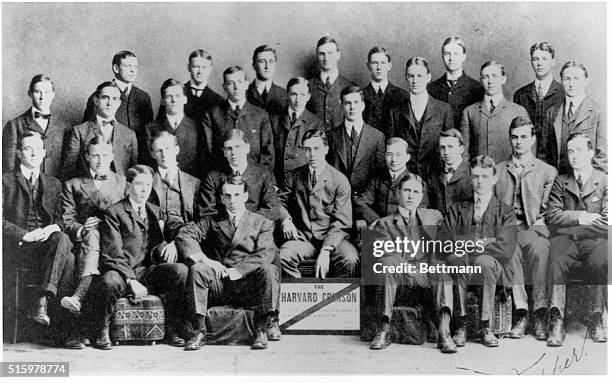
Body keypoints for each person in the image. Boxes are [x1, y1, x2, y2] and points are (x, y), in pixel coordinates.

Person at [89, 165, 189, 350]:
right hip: (121, 270)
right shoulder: (115, 212)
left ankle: (172, 327)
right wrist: (131, 280)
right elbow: (113, 253)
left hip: (148, 271)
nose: (144, 189)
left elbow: (180, 227)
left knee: (180, 271)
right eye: (139, 184)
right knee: (109, 281)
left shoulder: (155, 210)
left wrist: (174, 242)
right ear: (128, 185)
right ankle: (102, 330)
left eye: (148, 184)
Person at [175, 175, 279, 350]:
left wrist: (238, 270)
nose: (233, 201)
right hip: (221, 284)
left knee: (269, 269)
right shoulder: (212, 220)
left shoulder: (262, 222)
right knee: (198, 269)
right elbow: (185, 235)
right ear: (222, 198)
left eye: (237, 195)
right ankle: (199, 331)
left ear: (245, 196)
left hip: (249, 284)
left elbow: (265, 253)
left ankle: (261, 329)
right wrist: (207, 260)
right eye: (228, 196)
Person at [2, 133, 76, 347]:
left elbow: (63, 220)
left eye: (37, 149)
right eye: (27, 148)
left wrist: (51, 228)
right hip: (17, 247)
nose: (34, 153)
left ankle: (43, 303)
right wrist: (24, 234)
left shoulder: (53, 183)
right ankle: (61, 331)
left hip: (47, 245)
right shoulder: (4, 181)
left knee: (62, 241)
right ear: (18, 153)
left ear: (44, 153)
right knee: (68, 257)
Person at [438, 155, 518, 348]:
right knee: (456, 259)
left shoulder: (505, 212)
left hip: (490, 265)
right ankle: (461, 325)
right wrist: (480, 243)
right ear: (470, 178)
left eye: (484, 176)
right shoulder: (458, 209)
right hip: (462, 262)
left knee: (483, 262)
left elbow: (505, 247)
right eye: (475, 176)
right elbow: (444, 239)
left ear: (494, 178)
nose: (480, 181)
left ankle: (485, 325)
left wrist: (470, 245)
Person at [368, 173, 451, 352]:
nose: (411, 195)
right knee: (388, 264)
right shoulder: (385, 224)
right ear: (398, 193)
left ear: (422, 195)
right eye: (407, 190)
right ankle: (384, 330)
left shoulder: (434, 217)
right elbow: (386, 252)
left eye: (416, 191)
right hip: (401, 275)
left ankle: (444, 332)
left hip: (427, 274)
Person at [495, 117, 557, 339]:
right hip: (509, 230)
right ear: (509, 140)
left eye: (523, 137)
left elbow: (549, 210)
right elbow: (494, 208)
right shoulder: (498, 170)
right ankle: (522, 312)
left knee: (541, 249)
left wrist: (539, 226)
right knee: (508, 249)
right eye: (514, 137)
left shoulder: (547, 171)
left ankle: (540, 312)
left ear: (532, 139)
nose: (519, 142)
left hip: (535, 228)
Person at [546, 133, 607, 346]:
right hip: (566, 242)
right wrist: (581, 217)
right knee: (555, 259)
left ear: (591, 153)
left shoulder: (605, 181)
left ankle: (597, 317)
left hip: (595, 241)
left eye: (580, 150)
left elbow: (607, 222)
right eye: (571, 151)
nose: (575, 156)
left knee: (599, 261)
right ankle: (556, 319)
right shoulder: (561, 181)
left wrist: (571, 228)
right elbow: (552, 216)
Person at [60, 136, 127, 315]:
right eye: (95, 155)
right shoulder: (72, 185)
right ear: (87, 157)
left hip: (116, 243)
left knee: (97, 234)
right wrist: (83, 229)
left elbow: (129, 214)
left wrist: (105, 221)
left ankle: (79, 296)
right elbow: (67, 220)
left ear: (112, 156)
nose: (100, 160)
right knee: (93, 235)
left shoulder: (123, 182)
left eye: (105, 155)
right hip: (85, 243)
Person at [279, 130, 359, 279]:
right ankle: (303, 297)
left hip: (334, 239)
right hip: (304, 238)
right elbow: (278, 202)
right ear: (303, 151)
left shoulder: (339, 180)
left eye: (317, 149)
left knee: (349, 259)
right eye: (307, 149)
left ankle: (336, 300)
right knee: (283, 256)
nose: (312, 154)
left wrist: (326, 250)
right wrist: (285, 220)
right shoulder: (293, 176)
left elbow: (342, 221)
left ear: (326, 149)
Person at [82, 50, 153, 164]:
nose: (133, 70)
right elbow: (87, 133)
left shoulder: (144, 97)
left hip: (137, 161)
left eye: (135, 66)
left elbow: (148, 134)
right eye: (128, 66)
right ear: (116, 68)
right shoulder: (99, 97)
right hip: (106, 162)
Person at [388, 57, 454, 178]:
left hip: (435, 177)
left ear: (428, 77)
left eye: (420, 76)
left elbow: (450, 147)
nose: (415, 81)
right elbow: (391, 148)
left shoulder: (444, 109)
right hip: (405, 178)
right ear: (406, 78)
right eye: (411, 76)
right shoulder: (395, 111)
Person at [198, 129, 283, 223]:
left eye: (238, 147)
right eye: (228, 148)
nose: (234, 152)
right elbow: (207, 213)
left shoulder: (263, 175)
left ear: (247, 148)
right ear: (224, 152)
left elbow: (271, 210)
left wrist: (244, 225)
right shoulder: (212, 178)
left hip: (255, 229)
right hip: (224, 231)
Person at [202, 66, 274, 172]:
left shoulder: (261, 115)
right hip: (222, 178)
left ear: (246, 84)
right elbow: (208, 153)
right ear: (224, 86)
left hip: (254, 179)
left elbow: (268, 153)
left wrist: (259, 180)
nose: (236, 87)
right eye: (231, 83)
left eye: (240, 82)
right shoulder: (212, 115)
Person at [63, 81, 138, 180]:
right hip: (89, 190)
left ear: (119, 103)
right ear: (96, 100)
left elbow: (133, 171)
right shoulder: (79, 131)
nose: (109, 103)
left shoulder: (129, 134)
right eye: (105, 97)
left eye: (114, 99)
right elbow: (68, 170)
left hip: (119, 191)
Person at [541, 62, 607, 174]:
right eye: (567, 79)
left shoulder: (599, 111)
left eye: (576, 78)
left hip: (587, 183)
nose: (571, 84)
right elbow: (543, 154)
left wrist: (590, 182)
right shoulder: (551, 113)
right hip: (558, 183)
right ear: (561, 81)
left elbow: (604, 155)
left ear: (586, 81)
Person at [460, 61, 530, 164]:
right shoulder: (469, 112)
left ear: (503, 79)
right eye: (486, 77)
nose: (490, 81)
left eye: (494, 76)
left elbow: (528, 150)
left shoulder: (518, 111)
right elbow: (463, 153)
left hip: (509, 176)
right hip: (479, 176)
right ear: (481, 81)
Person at [3, 74, 71, 179]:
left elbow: (68, 163)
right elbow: (8, 167)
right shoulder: (14, 125)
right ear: (30, 94)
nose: (42, 97)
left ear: (53, 94)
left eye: (46, 92)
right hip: (25, 187)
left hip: (55, 187)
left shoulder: (64, 126)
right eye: (37, 92)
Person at [327, 85, 385, 195]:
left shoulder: (377, 137)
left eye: (356, 102)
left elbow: (380, 175)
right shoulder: (330, 136)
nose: (352, 107)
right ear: (342, 107)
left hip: (367, 201)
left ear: (363, 105)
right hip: (337, 199)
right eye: (347, 103)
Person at [270, 77, 325, 186]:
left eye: (302, 95)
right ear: (287, 95)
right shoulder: (274, 120)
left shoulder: (316, 123)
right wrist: (272, 184)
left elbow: (318, 160)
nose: (298, 99)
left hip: (302, 185)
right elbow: (267, 156)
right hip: (276, 183)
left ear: (309, 96)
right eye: (294, 94)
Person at [144, 79, 205, 178]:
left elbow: (202, 162)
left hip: (190, 184)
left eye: (177, 96)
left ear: (185, 99)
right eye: (169, 96)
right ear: (163, 101)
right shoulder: (150, 129)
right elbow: (149, 163)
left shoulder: (197, 127)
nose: (174, 100)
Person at [147, 131, 201, 241]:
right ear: (152, 154)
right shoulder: (148, 182)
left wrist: (177, 243)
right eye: (159, 150)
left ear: (176, 150)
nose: (164, 154)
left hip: (186, 237)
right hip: (157, 239)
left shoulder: (193, 183)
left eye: (168, 149)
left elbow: (199, 221)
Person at [353, 137, 414, 225]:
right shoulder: (376, 179)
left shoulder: (416, 182)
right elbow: (360, 202)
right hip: (377, 229)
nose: (393, 160)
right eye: (389, 154)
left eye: (398, 154)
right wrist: (377, 221)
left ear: (407, 157)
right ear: (385, 156)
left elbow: (417, 214)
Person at [427, 37, 484, 130]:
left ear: (464, 56)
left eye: (456, 53)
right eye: (447, 54)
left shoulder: (477, 88)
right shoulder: (432, 89)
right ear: (442, 56)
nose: (451, 58)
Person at [513, 42, 564, 145]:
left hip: (555, 155)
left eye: (544, 59)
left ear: (553, 61)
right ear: (531, 62)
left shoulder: (563, 92)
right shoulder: (520, 94)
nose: (540, 63)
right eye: (535, 59)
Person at [158, 50, 224, 124]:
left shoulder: (218, 100)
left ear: (210, 69)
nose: (200, 72)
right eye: (195, 67)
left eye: (204, 67)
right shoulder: (173, 93)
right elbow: (161, 124)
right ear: (189, 67)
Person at [307, 36, 356, 130]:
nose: (326, 58)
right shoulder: (308, 86)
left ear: (338, 55)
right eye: (322, 54)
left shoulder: (350, 86)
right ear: (317, 56)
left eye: (330, 53)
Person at [362, 46, 409, 134]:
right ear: (368, 66)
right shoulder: (360, 96)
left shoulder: (403, 96)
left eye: (383, 63)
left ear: (389, 66)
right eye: (375, 63)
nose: (379, 67)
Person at [426, 129, 472, 214]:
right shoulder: (433, 175)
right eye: (443, 147)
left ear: (461, 149)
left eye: (450, 147)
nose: (446, 152)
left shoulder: (472, 172)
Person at [247, 45, 287, 115]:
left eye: (271, 61)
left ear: (275, 64)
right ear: (254, 65)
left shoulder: (285, 95)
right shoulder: (244, 94)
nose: (267, 66)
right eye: (262, 61)